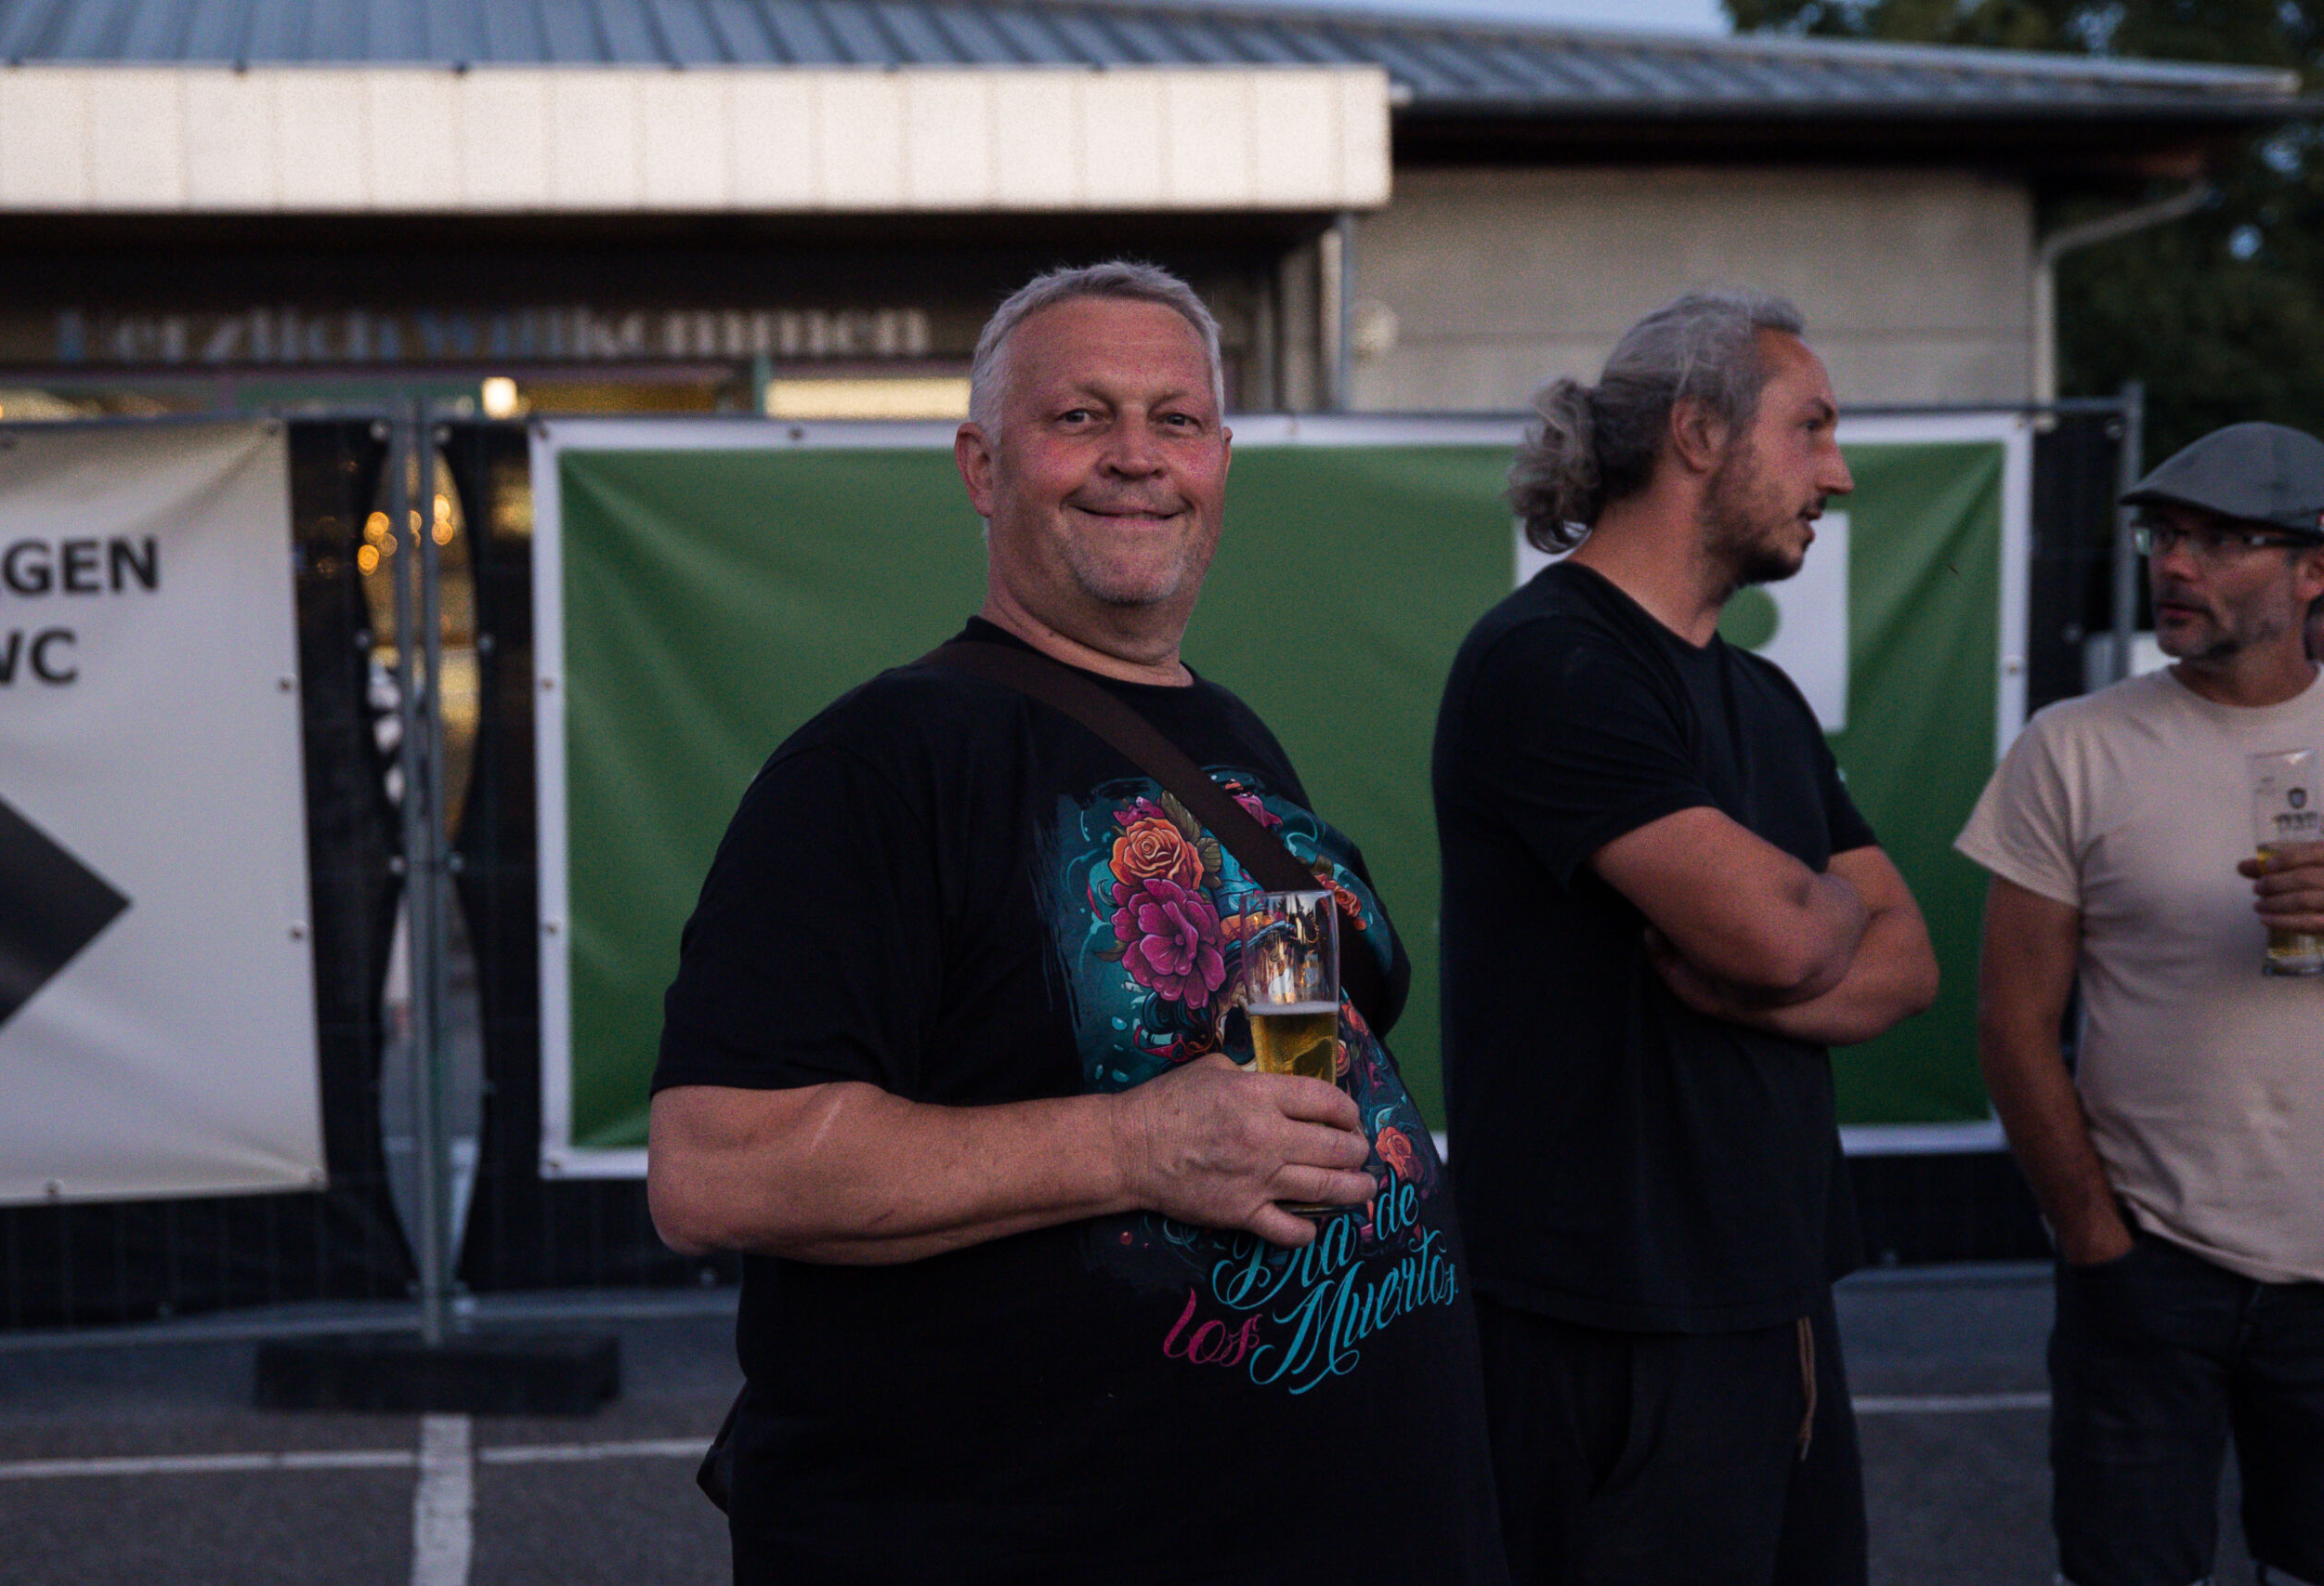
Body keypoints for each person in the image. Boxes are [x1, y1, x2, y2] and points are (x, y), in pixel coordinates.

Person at [648, 261, 1506, 1585]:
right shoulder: (878, 762)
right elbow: (716, 1167)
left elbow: (1285, 1059)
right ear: (982, 467)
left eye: (1177, 419)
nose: (1136, 457)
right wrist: (1137, 1144)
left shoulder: (1230, 738)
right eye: (1080, 417)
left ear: (1220, 462)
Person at [1432, 289, 1940, 1585]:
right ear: (1698, 432)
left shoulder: (1760, 694)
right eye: (1810, 427)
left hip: (1783, 1308)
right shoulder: (1549, 661)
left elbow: (1908, 964)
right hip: (1613, 1327)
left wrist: (1777, 963)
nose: (1837, 473)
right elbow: (1785, 935)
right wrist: (1812, 919)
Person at [1958, 422, 2324, 1586]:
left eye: (2220, 540)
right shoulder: (2072, 747)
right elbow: (2011, 1023)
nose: (2174, 563)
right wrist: (2094, 1241)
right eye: (2164, 535)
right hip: (2147, 1263)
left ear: (2313, 568)